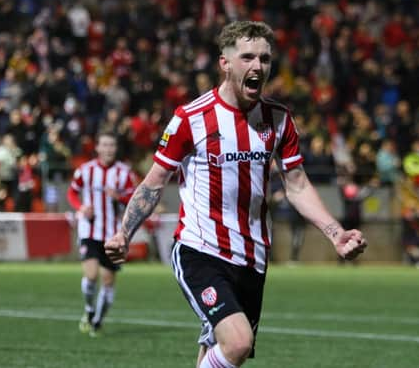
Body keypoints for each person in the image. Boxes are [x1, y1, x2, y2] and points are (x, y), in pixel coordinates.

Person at [105, 21, 367, 367]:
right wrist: (125, 231)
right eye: (247, 57)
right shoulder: (191, 118)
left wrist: (335, 233)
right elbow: (154, 182)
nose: (257, 66)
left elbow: (298, 184)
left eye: (265, 59)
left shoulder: (279, 119)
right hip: (201, 250)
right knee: (238, 342)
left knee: (219, 351)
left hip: (253, 257)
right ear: (225, 63)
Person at [67, 131, 138, 337]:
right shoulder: (85, 170)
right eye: (104, 145)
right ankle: (89, 309)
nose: (108, 149)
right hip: (89, 230)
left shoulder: (124, 173)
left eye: (112, 145)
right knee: (90, 276)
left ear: (116, 149)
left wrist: (119, 197)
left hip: (112, 234)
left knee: (107, 282)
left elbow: (134, 199)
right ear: (97, 148)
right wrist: (81, 208)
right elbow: (72, 192)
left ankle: (97, 321)